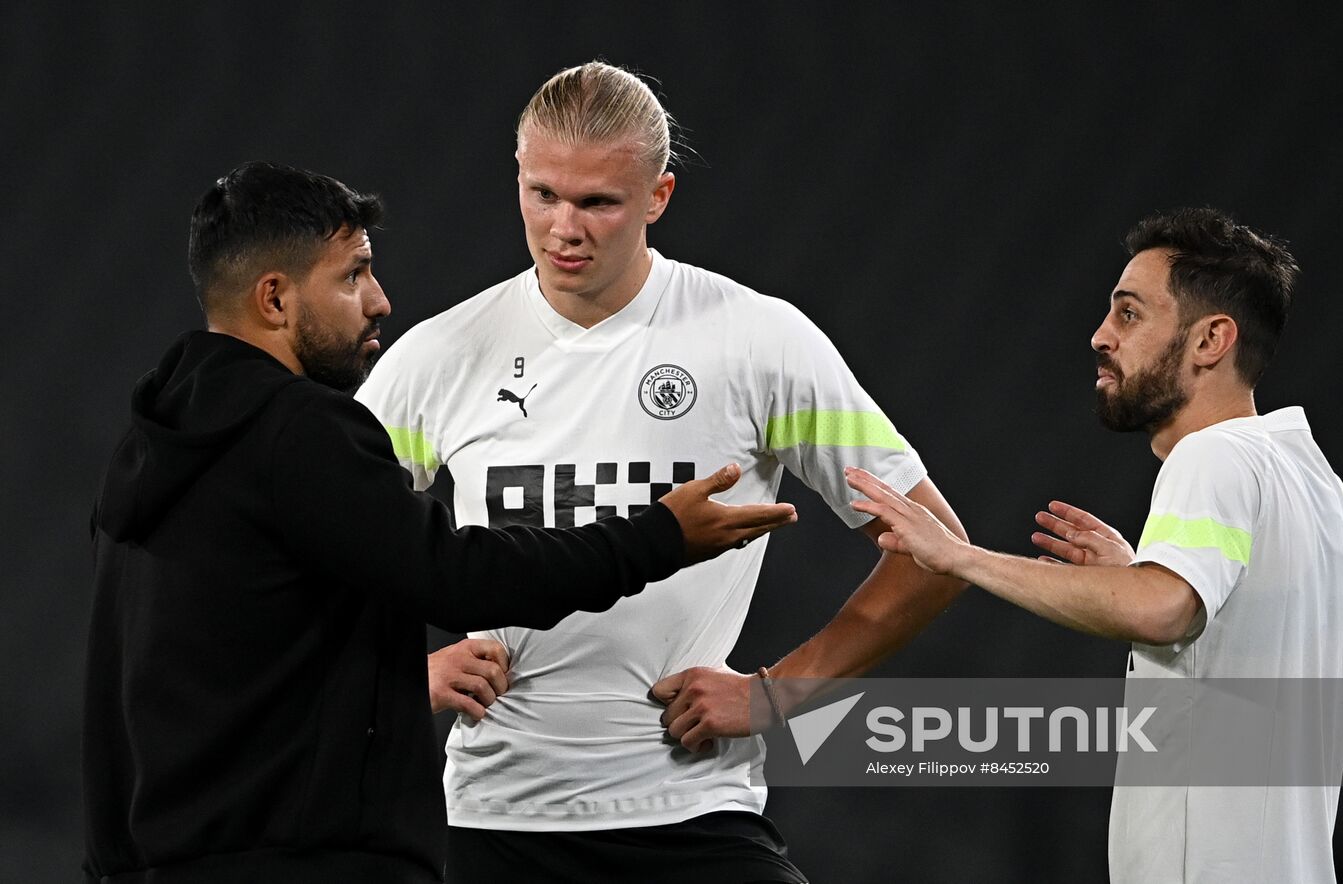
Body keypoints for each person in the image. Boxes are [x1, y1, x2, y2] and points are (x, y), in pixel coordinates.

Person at [82, 161, 797, 883]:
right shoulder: (298, 432)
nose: (380, 300)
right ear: (275, 298)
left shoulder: (149, 448)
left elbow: (180, 677)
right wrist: (660, 536)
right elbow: (458, 577)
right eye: (352, 275)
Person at [354, 62, 967, 883]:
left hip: (691, 815)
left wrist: (778, 695)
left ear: (659, 197)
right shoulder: (440, 354)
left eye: (598, 202)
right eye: (542, 193)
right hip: (493, 821)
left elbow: (935, 550)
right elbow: (316, 553)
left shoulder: (757, 341)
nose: (564, 227)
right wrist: (400, 677)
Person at [846, 207, 1343, 884]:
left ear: (1211, 340)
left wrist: (957, 556)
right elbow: (1213, 627)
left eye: (1129, 314)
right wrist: (1140, 573)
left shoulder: (1214, 458)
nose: (1099, 336)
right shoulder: (1318, 487)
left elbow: (1162, 610)